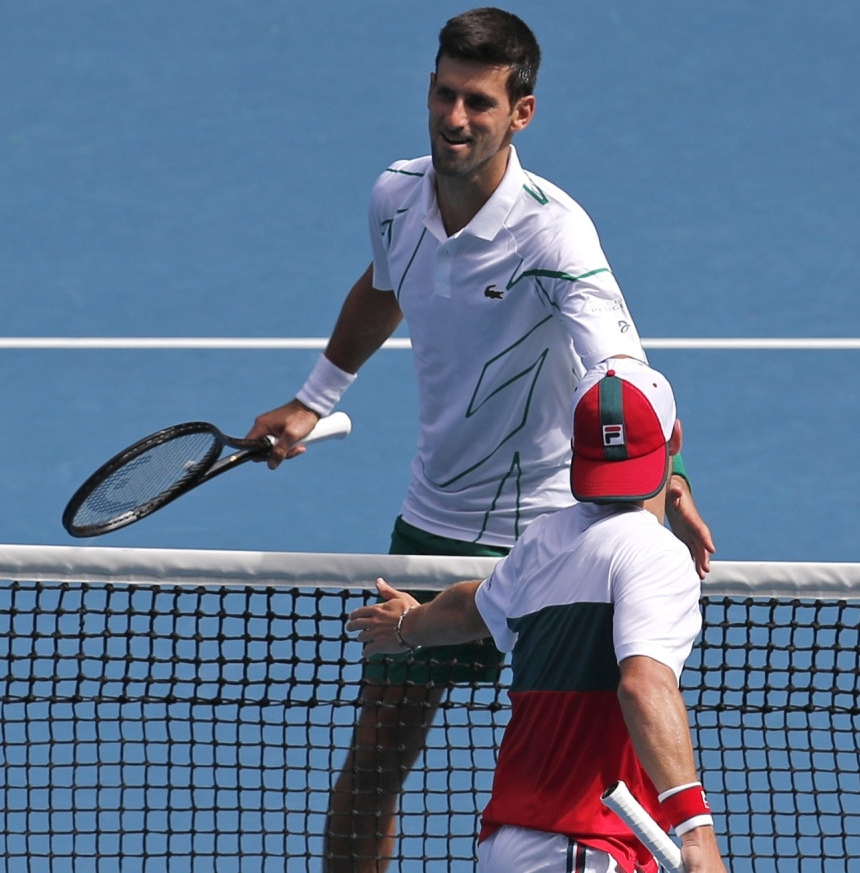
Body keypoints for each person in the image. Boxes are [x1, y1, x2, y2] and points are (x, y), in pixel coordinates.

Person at [246, 8, 715, 871]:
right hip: (437, 519)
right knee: (375, 759)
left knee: (582, 766)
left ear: (521, 113)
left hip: (557, 531)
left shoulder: (554, 232)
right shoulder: (395, 195)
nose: (455, 118)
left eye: (479, 102)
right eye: (444, 94)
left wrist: (671, 481)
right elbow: (384, 285)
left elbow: (624, 372)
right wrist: (313, 399)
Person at [348, 357, 727, 873]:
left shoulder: (542, 541)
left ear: (574, 448)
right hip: (583, 846)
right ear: (674, 439)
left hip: (508, 843)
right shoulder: (657, 555)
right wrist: (696, 832)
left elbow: (468, 608)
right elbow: (643, 686)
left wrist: (405, 626)